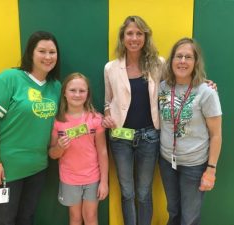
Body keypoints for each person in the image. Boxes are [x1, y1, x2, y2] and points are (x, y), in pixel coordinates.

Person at [0, 31, 61, 225]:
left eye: (52, 52)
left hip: (36, 169)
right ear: (30, 53)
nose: (48, 57)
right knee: (3, 221)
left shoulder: (55, 87)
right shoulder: (9, 78)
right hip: (4, 171)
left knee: (26, 219)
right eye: (42, 51)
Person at [103, 15, 164, 225]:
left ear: (146, 37)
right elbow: (107, 101)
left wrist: (206, 85)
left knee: (144, 192)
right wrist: (107, 115)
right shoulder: (110, 68)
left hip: (150, 136)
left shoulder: (159, 64)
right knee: (127, 191)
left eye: (139, 33)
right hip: (120, 138)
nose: (134, 38)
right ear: (123, 37)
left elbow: (177, 86)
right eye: (130, 33)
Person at [158, 37, 222, 225]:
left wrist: (211, 170)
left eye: (188, 57)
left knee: (189, 218)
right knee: (173, 211)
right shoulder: (162, 87)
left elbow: (216, 134)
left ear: (196, 62)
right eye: (178, 56)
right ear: (171, 61)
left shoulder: (206, 92)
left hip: (194, 165)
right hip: (166, 161)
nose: (183, 61)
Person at [49, 72, 108, 225]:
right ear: (64, 93)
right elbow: (53, 154)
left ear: (87, 94)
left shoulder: (95, 119)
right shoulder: (57, 122)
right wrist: (59, 148)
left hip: (92, 177)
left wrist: (104, 181)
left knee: (91, 216)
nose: (77, 94)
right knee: (75, 217)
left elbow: (102, 151)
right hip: (69, 178)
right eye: (72, 90)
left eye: (82, 91)